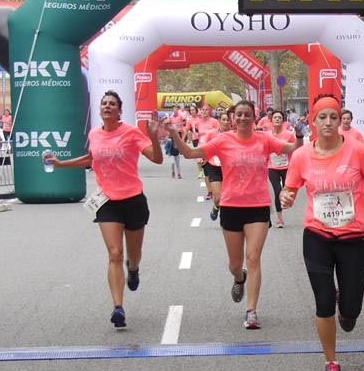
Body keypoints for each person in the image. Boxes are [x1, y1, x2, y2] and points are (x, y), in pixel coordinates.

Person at [280, 94, 364, 371]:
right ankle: (332, 362)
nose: (328, 122)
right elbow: (289, 189)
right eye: (322, 117)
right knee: (323, 301)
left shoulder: (358, 151)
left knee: (351, 310)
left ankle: (347, 309)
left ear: (341, 121)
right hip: (317, 235)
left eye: (333, 117)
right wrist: (286, 197)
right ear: (312, 122)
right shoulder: (302, 156)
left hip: (352, 236)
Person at [169, 101, 297, 330]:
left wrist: (299, 134)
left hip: (257, 206)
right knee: (235, 263)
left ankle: (251, 311)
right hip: (231, 206)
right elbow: (189, 153)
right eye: (239, 115)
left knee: (254, 257)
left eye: (247, 114)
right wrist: (173, 134)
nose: (243, 118)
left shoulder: (264, 139)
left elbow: (291, 148)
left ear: (254, 117)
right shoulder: (223, 140)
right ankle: (239, 278)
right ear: (233, 117)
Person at [42, 91, 163, 329]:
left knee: (133, 255)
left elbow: (157, 159)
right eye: (104, 103)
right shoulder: (95, 134)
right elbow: (91, 158)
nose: (107, 106)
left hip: (133, 200)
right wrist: (60, 164)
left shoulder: (130, 133)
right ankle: (118, 307)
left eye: (112, 104)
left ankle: (134, 268)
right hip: (107, 202)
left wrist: (154, 137)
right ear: (100, 109)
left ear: (120, 110)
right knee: (115, 253)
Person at [267, 110, 297, 228]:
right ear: (271, 120)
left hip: (286, 166)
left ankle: (286, 202)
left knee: (287, 190)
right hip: (272, 167)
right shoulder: (267, 135)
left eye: (280, 117)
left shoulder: (289, 135)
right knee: (277, 191)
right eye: (275, 117)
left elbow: (296, 148)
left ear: (283, 120)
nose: (277, 119)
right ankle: (279, 219)